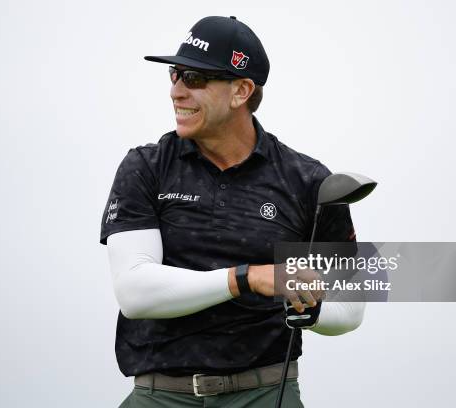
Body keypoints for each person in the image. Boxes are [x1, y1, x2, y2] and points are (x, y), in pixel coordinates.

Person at [100, 15, 365, 408]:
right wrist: (247, 278)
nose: (176, 91)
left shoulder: (308, 181)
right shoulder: (147, 167)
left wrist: (307, 300)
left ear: (241, 91)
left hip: (265, 393)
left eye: (193, 78)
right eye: (174, 75)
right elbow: (135, 293)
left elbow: (350, 306)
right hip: (160, 396)